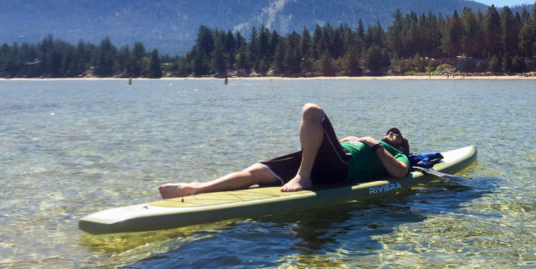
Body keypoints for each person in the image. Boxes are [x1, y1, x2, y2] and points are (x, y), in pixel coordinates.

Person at [158, 103, 410, 199]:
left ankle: (304, 176)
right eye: (390, 131)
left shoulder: (393, 153)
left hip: (339, 168)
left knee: (312, 110)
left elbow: (399, 173)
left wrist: (375, 145)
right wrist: (349, 139)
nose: (391, 133)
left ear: (401, 145)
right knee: (255, 173)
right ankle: (196, 188)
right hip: (318, 159)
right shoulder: (364, 141)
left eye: (396, 135)